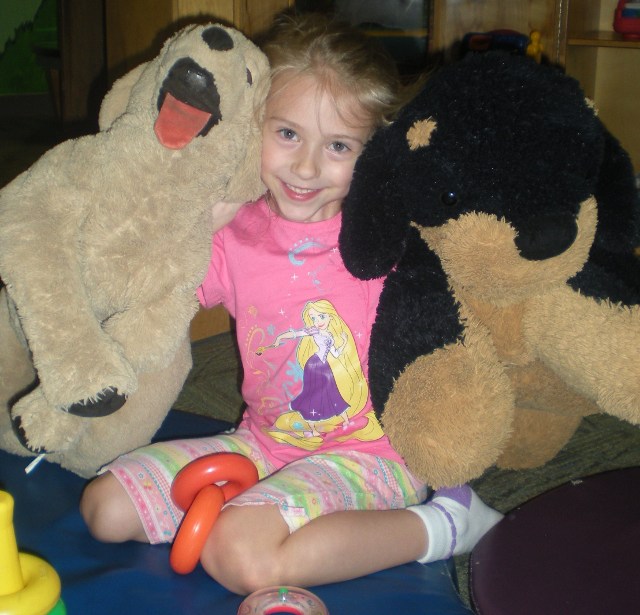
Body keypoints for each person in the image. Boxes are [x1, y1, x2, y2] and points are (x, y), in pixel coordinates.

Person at [80, 12, 502, 595]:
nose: (306, 168)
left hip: (373, 456)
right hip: (264, 443)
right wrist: (203, 216)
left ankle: (445, 524)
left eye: (337, 145)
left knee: (241, 558)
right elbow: (154, 289)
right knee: (105, 509)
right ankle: (264, 509)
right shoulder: (238, 233)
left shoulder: (387, 236)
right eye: (286, 134)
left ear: (373, 152)